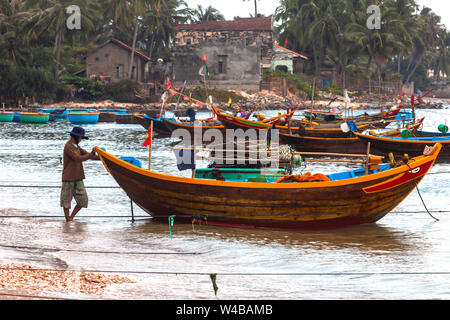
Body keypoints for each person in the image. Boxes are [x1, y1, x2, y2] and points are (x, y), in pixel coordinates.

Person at [61, 126, 99, 222]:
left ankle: (71, 217)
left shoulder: (77, 147)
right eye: (81, 138)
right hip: (68, 178)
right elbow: (77, 158)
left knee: (83, 200)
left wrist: (102, 157)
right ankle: (67, 219)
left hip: (78, 177)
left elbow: (88, 155)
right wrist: (91, 154)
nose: (81, 139)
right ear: (76, 137)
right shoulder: (68, 146)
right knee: (66, 201)